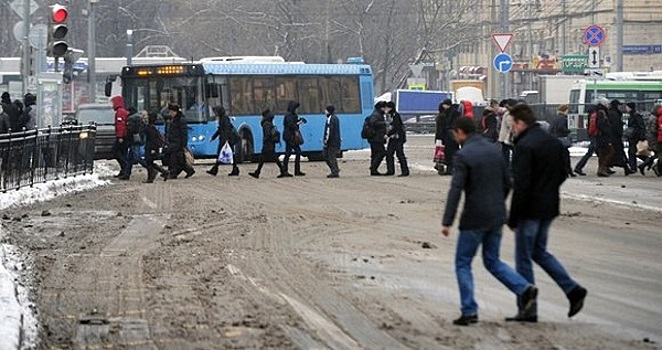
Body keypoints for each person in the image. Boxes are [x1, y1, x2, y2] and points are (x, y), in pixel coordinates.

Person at [441, 117, 538, 326]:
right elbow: (508, 183)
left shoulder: (463, 155)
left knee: (462, 263)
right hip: (496, 216)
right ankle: (524, 288)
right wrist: (497, 205)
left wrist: (447, 221)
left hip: (474, 218)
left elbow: (456, 189)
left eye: (454, 134)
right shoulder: (494, 151)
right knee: (493, 261)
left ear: (460, 132)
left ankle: (469, 310)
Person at [507, 103, 587, 323]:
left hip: (529, 209)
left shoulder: (524, 146)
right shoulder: (552, 142)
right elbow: (563, 172)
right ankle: (573, 290)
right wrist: (548, 189)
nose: (511, 128)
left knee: (524, 258)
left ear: (520, 122)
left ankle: (528, 307)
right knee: (539, 252)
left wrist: (513, 217)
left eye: (512, 124)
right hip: (549, 206)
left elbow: (521, 185)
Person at [249, 109, 284, 178]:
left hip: (268, 143)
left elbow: (267, 134)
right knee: (264, 158)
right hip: (270, 143)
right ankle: (257, 172)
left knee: (270, 158)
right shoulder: (270, 122)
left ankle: (283, 170)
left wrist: (265, 140)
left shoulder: (266, 123)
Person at [207, 106, 240, 177]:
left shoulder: (224, 119)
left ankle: (215, 169)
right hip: (226, 139)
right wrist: (213, 137)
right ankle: (234, 169)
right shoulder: (223, 118)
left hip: (226, 139)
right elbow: (220, 130)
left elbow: (226, 129)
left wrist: (225, 140)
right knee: (228, 154)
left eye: (216, 112)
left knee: (221, 154)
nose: (215, 113)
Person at [164, 103, 195, 179]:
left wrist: (183, 145)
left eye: (171, 112)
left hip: (178, 143)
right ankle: (189, 170)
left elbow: (184, 134)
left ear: (175, 112)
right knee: (179, 160)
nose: (170, 113)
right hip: (172, 142)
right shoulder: (172, 119)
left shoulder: (181, 120)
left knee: (174, 159)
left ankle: (173, 173)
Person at [140, 110, 169, 183]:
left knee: (149, 162)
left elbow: (153, 139)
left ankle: (152, 176)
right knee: (149, 162)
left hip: (151, 147)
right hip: (150, 147)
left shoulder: (151, 128)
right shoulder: (151, 127)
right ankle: (163, 172)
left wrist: (153, 149)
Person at [608, 100, 635, 175]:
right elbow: (616, 126)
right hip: (615, 137)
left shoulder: (611, 112)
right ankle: (626, 168)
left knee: (614, 153)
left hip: (612, 136)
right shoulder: (615, 114)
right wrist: (620, 130)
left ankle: (607, 167)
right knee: (619, 153)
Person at [117, 106, 144, 180]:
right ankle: (127, 174)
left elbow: (130, 130)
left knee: (136, 157)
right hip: (137, 139)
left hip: (133, 140)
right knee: (130, 158)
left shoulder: (131, 118)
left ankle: (150, 168)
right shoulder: (138, 117)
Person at [281, 100, 306, 177]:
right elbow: (291, 125)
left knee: (291, 153)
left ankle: (292, 170)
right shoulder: (289, 115)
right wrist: (298, 123)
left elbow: (294, 122)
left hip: (292, 137)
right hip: (290, 137)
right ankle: (287, 170)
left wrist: (300, 120)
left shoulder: (292, 115)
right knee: (290, 153)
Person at [436, 99, 461, 175]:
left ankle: (451, 169)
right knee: (448, 152)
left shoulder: (452, 113)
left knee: (451, 152)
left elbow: (449, 124)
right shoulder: (452, 112)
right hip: (450, 135)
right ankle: (450, 168)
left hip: (450, 135)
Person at [384, 101, 409, 177]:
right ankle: (390, 170)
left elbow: (396, 127)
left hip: (398, 138)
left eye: (387, 107)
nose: (386, 109)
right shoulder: (389, 115)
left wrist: (387, 135)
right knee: (389, 154)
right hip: (393, 138)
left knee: (400, 154)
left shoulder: (395, 115)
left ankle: (405, 171)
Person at [550, 104, 575, 177]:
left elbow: (551, 129)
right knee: (566, 156)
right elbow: (561, 128)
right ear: (565, 110)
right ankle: (568, 171)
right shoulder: (563, 118)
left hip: (555, 139)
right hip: (562, 139)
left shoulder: (555, 118)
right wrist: (568, 131)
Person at [573, 104, 598, 176]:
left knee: (592, 152)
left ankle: (579, 167)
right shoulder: (594, 115)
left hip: (591, 135)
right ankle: (578, 167)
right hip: (594, 136)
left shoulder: (590, 115)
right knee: (592, 152)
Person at [624, 102, 647, 175]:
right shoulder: (633, 115)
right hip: (633, 136)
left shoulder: (635, 116)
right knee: (635, 152)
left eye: (627, 107)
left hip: (635, 136)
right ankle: (645, 162)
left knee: (633, 152)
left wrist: (641, 136)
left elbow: (641, 126)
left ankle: (634, 167)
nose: (626, 108)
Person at [595, 98, 615, 177]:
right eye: (607, 104)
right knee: (610, 151)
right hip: (604, 136)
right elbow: (601, 124)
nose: (608, 106)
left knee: (602, 153)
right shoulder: (602, 112)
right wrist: (608, 129)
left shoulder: (598, 111)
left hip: (600, 136)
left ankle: (601, 169)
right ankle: (602, 168)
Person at [110, 95, 129, 178]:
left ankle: (124, 166)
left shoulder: (120, 112)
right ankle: (124, 170)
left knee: (115, 151)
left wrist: (120, 136)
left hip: (122, 136)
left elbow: (120, 125)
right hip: (124, 136)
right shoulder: (122, 111)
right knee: (123, 152)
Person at [368, 101, 388, 176]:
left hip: (375, 137)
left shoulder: (377, 113)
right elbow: (373, 123)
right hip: (376, 138)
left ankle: (373, 170)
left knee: (375, 154)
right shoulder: (376, 115)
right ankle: (373, 167)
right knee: (381, 152)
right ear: (381, 108)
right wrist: (385, 123)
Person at [497, 99, 517, 169]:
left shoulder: (506, 113)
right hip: (507, 138)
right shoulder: (509, 114)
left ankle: (504, 167)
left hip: (504, 137)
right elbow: (510, 125)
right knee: (509, 153)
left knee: (505, 153)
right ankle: (507, 167)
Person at [323, 105, 341, 178]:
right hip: (335, 141)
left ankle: (334, 171)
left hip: (331, 141)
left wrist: (326, 141)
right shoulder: (335, 118)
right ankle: (335, 169)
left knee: (329, 156)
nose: (325, 112)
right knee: (330, 156)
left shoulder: (330, 119)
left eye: (326, 110)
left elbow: (329, 131)